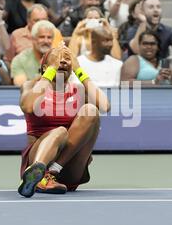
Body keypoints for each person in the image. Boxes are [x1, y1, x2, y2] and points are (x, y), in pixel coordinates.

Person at [18, 45, 110, 198]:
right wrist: (50, 70)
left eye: (67, 59)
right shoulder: (30, 86)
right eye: (56, 59)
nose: (62, 62)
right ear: (45, 66)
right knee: (60, 131)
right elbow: (27, 106)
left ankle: (52, 172)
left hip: (67, 166)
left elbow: (105, 106)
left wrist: (80, 71)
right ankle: (38, 174)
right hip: (37, 156)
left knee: (91, 110)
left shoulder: (79, 90)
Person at [11, 20, 56, 86]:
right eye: (42, 37)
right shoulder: (19, 60)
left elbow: (61, 88)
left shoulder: (59, 60)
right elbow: (21, 87)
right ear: (33, 39)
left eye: (49, 37)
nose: (46, 41)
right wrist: (46, 74)